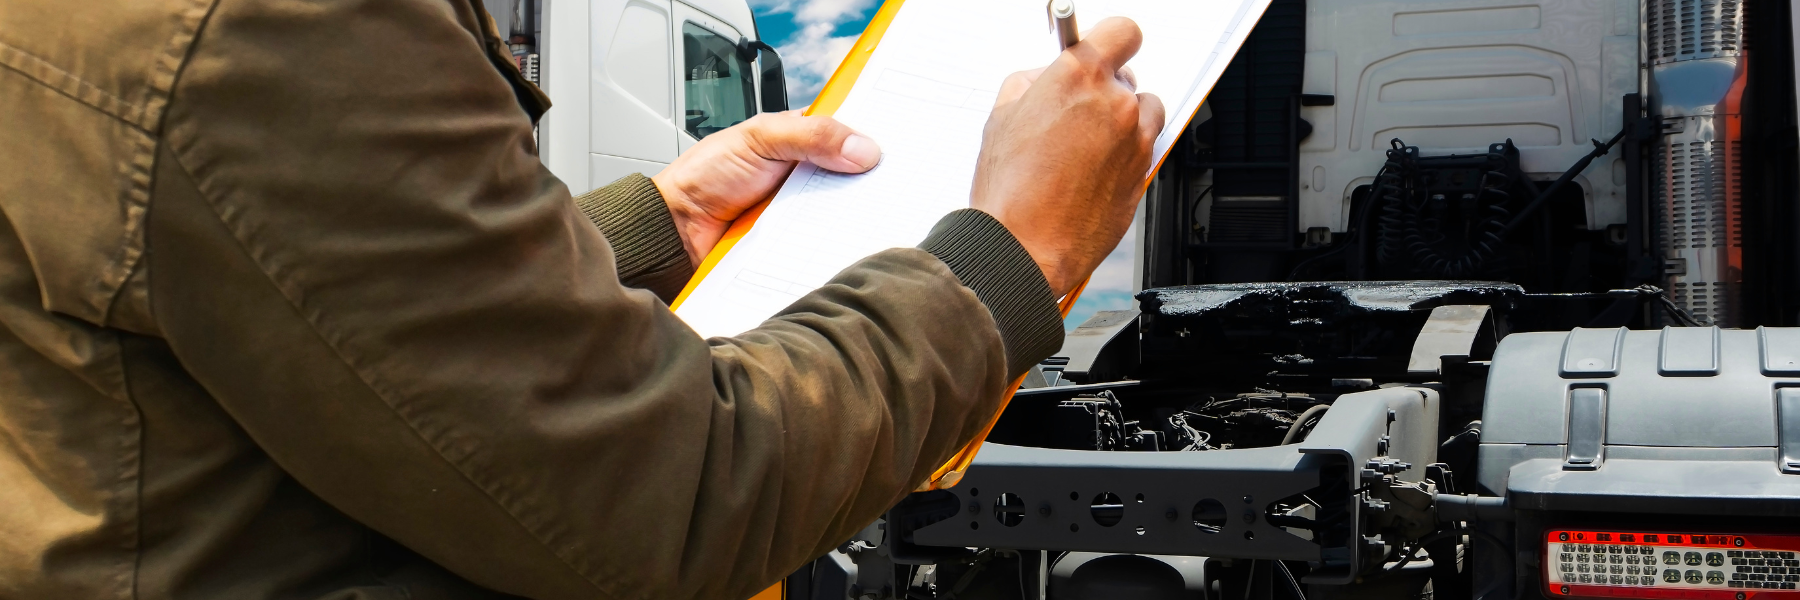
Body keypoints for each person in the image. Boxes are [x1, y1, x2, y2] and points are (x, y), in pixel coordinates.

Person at [0, 0, 1162, 598]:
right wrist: (1017, 253)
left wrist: (652, 225)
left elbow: (287, 299)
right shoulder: (270, 26)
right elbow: (677, 490)